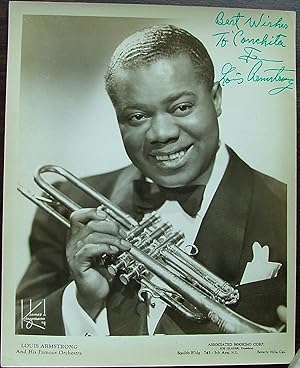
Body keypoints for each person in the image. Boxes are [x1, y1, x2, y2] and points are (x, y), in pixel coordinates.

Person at [16, 25, 287, 336]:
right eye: (137, 117)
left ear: (216, 99)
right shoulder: (71, 207)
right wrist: (81, 301)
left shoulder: (286, 210)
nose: (161, 133)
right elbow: (20, 330)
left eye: (182, 107)